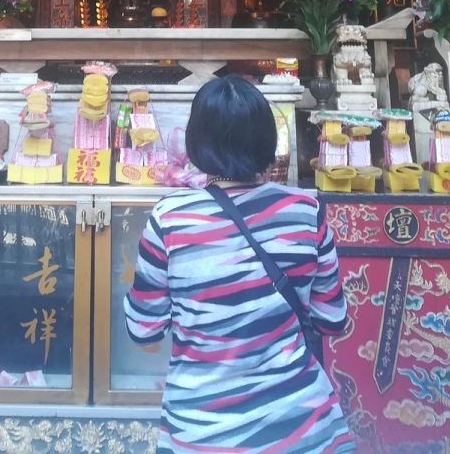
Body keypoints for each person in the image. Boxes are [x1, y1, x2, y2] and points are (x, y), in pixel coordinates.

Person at [124, 74, 353, 454]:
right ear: (266, 139)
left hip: (201, 432)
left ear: (197, 140)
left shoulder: (170, 218)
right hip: (303, 430)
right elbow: (332, 319)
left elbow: (142, 329)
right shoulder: (306, 211)